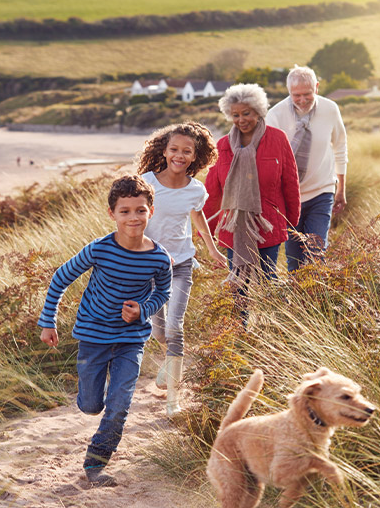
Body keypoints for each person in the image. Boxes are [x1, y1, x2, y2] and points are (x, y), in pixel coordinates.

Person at [38, 175, 172, 487]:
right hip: (93, 338)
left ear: (150, 211)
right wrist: (48, 322)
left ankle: (95, 465)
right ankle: (89, 400)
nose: (133, 217)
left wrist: (142, 309)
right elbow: (60, 278)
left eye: (140, 210)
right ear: (112, 214)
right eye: (124, 211)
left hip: (130, 340)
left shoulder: (158, 257)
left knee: (119, 407)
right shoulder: (100, 249)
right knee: (90, 405)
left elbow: (162, 293)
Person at [137, 122, 227, 416]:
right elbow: (134, 219)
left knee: (176, 327)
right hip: (150, 267)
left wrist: (211, 247)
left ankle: (174, 399)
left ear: (194, 156)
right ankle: (168, 363)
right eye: (174, 149)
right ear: (164, 151)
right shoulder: (146, 182)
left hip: (182, 264)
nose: (179, 155)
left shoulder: (195, 189)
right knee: (159, 332)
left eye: (186, 151)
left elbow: (197, 215)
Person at [204, 83, 300, 320]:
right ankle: (240, 333)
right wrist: (207, 228)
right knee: (238, 283)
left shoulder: (277, 139)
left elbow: (290, 181)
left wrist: (292, 221)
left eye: (246, 113)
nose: (241, 119)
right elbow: (213, 189)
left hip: (267, 224)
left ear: (258, 111)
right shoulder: (223, 146)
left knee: (268, 278)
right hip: (233, 227)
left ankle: (279, 327)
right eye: (235, 115)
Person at [265, 65, 348, 272]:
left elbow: (340, 147)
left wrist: (341, 188)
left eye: (307, 94)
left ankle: (319, 299)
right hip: (289, 198)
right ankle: (299, 303)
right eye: (296, 95)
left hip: (322, 191)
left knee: (316, 252)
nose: (302, 100)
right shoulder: (275, 115)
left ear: (317, 88)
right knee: (294, 260)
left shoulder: (330, 109)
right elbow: (268, 160)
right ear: (289, 92)